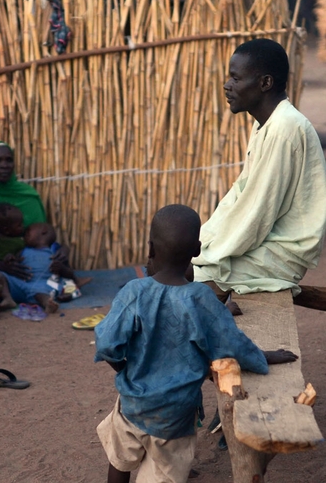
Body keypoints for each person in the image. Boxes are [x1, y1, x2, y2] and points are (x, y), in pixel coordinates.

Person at [95, 204, 297, 483]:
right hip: (175, 416)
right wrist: (264, 356)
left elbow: (106, 343)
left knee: (120, 458)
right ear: (197, 250)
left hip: (132, 404)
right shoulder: (202, 299)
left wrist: (124, 370)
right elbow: (232, 345)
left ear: (150, 248)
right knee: (163, 472)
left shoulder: (134, 292)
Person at [190, 39, 326, 306]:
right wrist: (204, 240)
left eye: (236, 78)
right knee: (189, 268)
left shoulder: (285, 129)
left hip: (283, 251)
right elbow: (240, 194)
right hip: (265, 242)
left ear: (265, 83)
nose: (227, 85)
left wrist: (206, 256)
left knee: (195, 278)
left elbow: (258, 212)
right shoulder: (267, 123)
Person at [0, 141, 76, 321]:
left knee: (59, 280)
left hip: (33, 266)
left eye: (9, 160)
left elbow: (44, 238)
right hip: (0, 266)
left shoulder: (28, 196)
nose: (4, 165)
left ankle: (20, 294)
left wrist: (62, 251)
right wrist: (4, 266)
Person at [0, 206, 81, 320]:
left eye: (28, 231)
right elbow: (14, 262)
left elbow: (69, 273)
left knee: (43, 290)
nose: (24, 232)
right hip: (22, 284)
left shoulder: (54, 249)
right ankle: (7, 299)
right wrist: (9, 259)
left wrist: (62, 268)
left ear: (43, 232)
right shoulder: (23, 249)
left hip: (43, 284)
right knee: (0, 275)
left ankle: (47, 303)